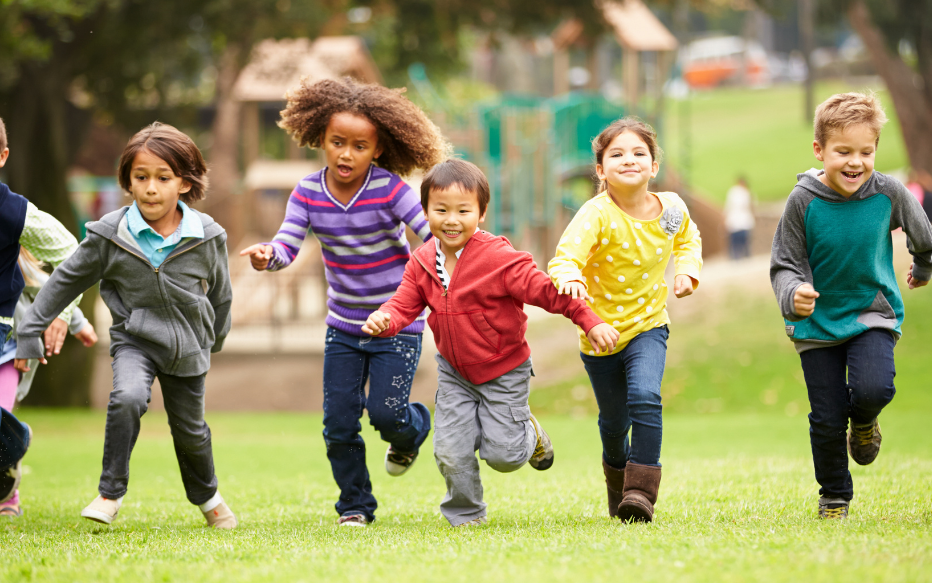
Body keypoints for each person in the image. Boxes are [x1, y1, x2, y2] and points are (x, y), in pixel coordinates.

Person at [240, 78, 449, 527]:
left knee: (387, 415)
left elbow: (431, 233)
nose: (346, 154)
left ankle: (414, 429)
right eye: (338, 142)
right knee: (338, 424)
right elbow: (287, 245)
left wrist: (457, 264)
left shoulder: (390, 189)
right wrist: (267, 257)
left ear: (377, 149)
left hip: (396, 324)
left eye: (359, 145)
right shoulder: (307, 193)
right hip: (344, 329)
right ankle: (355, 505)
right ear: (321, 139)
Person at [363, 159, 617, 527]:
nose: (451, 220)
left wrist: (589, 320)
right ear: (425, 212)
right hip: (455, 373)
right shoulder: (420, 262)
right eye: (441, 210)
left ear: (481, 214)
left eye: (463, 210)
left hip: (504, 370)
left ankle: (528, 434)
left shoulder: (498, 258)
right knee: (450, 450)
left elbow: (549, 292)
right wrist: (384, 319)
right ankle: (465, 514)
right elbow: (402, 305)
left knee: (505, 455)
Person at [15, 122, 236, 528]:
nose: (151, 188)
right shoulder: (109, 235)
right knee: (127, 398)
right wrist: (30, 330)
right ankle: (109, 493)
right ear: (128, 182)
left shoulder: (208, 236)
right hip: (135, 339)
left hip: (189, 345)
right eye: (141, 177)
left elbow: (220, 293)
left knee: (190, 432)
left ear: (184, 184)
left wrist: (214, 338)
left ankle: (208, 498)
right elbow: (65, 279)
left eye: (163, 178)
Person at [770, 92, 932, 519]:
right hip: (816, 324)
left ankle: (864, 423)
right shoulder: (802, 201)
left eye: (867, 151)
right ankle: (835, 496)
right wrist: (794, 295)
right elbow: (784, 264)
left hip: (871, 314)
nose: (855, 162)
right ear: (819, 150)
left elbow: (924, 235)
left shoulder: (887, 193)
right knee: (826, 417)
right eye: (843, 152)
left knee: (874, 388)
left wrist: (924, 267)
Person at [548, 117, 703, 523]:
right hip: (600, 336)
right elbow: (565, 258)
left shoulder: (670, 209)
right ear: (600, 170)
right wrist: (571, 279)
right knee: (614, 423)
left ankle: (640, 493)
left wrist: (686, 270)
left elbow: (685, 237)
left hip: (649, 326)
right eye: (616, 154)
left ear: (654, 166)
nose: (629, 160)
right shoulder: (595, 215)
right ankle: (617, 484)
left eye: (639, 153)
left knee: (646, 397)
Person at [0, 116, 91, 514]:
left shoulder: (13, 212)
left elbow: (72, 256)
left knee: (0, 421)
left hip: (5, 339)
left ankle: (9, 466)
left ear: (2, 156)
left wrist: (64, 313)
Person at [0, 249, 99, 516]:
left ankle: (7, 498)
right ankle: (16, 437)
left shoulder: (9, 255)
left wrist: (77, 323)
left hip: (7, 355)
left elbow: (50, 288)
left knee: (0, 420)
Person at [724, 176, 754, 259]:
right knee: (743, 243)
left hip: (737, 222)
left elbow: (728, 206)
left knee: (736, 244)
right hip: (741, 222)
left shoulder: (734, 191)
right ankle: (744, 257)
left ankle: (737, 258)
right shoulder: (744, 192)